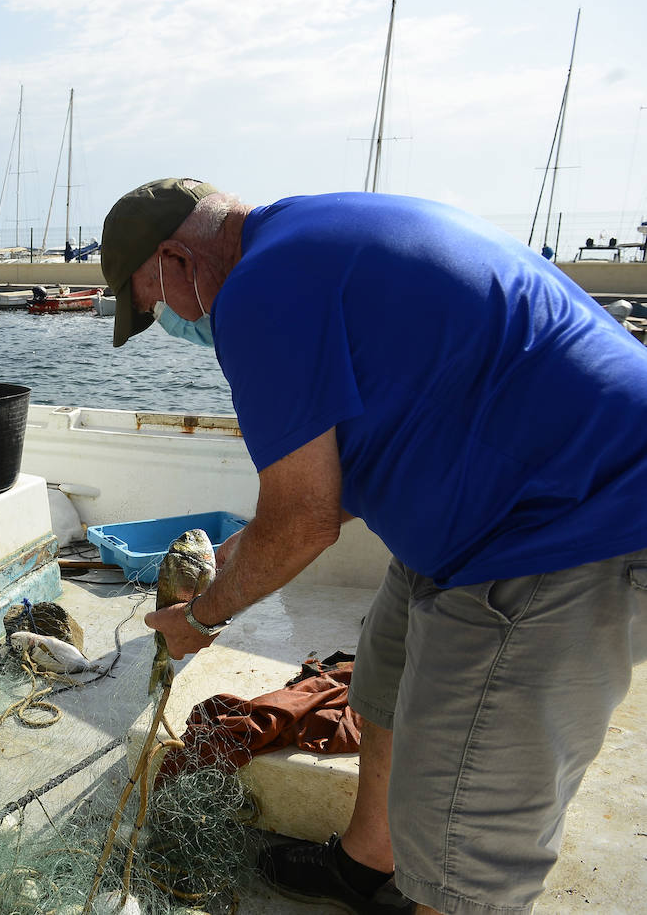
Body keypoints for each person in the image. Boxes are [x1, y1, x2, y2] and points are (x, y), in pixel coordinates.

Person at [100, 178, 647, 915]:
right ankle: (365, 865)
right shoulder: (305, 233)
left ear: (175, 259)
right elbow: (349, 468)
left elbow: (303, 520)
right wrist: (238, 556)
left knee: (466, 837)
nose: (163, 319)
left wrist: (203, 618)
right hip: (501, 507)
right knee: (384, 675)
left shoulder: (258, 294)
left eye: (148, 301)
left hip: (571, 528)